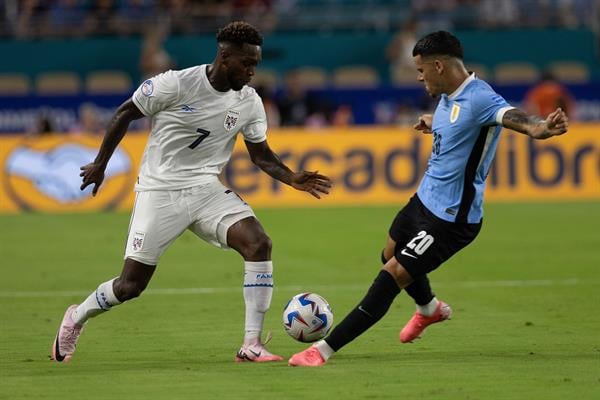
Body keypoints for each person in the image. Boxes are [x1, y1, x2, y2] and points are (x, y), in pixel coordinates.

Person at [51, 21, 331, 364]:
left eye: (256, 64)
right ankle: (75, 317)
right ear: (225, 57)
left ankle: (251, 344)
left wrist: (291, 178)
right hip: (159, 191)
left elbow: (260, 155)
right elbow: (125, 113)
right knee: (130, 286)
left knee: (259, 243)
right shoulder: (176, 83)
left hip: (205, 190)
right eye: (247, 63)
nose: (252, 71)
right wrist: (100, 163)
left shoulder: (249, 101)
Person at [288, 30, 568, 367]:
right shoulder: (449, 94)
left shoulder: (480, 97)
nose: (419, 78)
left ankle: (322, 350)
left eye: (421, 71)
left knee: (392, 275)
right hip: (424, 199)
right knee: (388, 252)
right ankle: (430, 309)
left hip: (451, 219)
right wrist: (434, 122)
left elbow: (517, 120)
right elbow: (458, 122)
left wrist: (543, 128)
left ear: (438, 66)